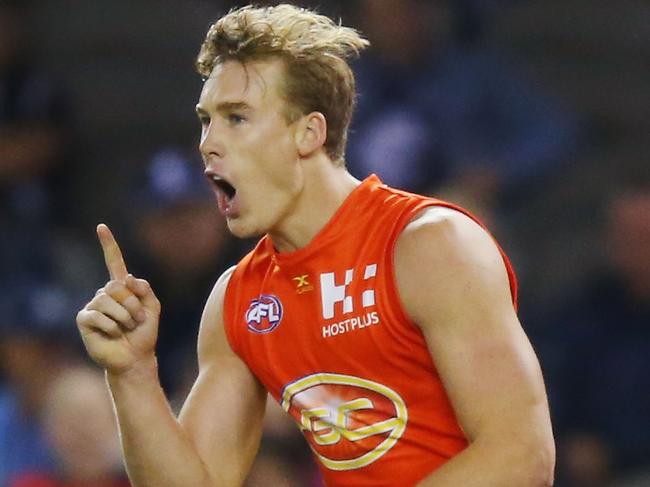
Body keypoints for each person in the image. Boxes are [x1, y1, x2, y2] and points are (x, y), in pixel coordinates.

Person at [76, 4, 554, 487]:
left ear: (309, 132)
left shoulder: (428, 245)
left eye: (236, 118)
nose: (207, 142)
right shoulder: (240, 300)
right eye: (206, 120)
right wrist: (132, 373)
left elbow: (521, 455)